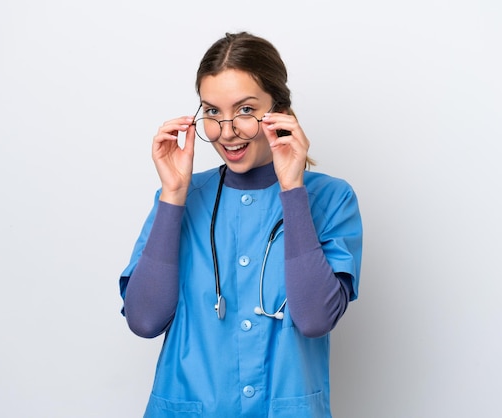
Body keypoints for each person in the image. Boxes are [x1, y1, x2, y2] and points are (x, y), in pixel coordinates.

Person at [119, 31, 363, 418]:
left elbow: (315, 319)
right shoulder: (180, 199)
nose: (227, 130)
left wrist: (293, 190)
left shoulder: (331, 200)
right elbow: (145, 320)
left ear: (279, 110)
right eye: (212, 112)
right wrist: (173, 195)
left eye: (246, 110)